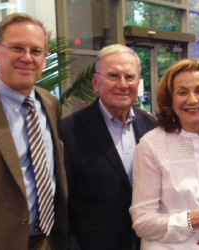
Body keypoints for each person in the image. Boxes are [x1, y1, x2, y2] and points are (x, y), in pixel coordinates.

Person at [130, 59, 199, 250]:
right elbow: (143, 222)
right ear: (170, 101)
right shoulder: (151, 145)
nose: (192, 100)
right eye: (182, 92)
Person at [58, 44, 156, 250]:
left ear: (138, 83)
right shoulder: (69, 131)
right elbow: (63, 207)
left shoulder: (152, 127)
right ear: (96, 82)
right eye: (113, 76)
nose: (123, 84)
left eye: (129, 77)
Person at [0, 13, 67, 249]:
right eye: (17, 48)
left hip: (46, 241)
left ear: (45, 59)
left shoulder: (49, 103)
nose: (27, 58)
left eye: (36, 51)